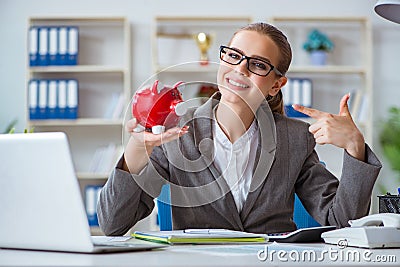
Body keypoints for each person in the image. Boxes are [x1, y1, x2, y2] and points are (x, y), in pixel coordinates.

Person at [97, 22, 381, 236]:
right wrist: (135, 152)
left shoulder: (295, 138)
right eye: (234, 55)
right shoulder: (175, 133)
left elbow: (343, 222)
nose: (240, 69)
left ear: (276, 85)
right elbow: (113, 225)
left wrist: (355, 147)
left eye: (257, 64)